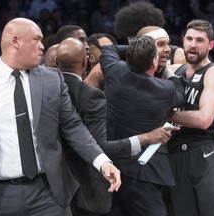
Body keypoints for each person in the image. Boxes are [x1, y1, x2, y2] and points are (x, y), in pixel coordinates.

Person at [0, 17, 121, 216]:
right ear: (15, 42)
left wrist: (102, 161)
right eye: (37, 39)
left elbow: (73, 127)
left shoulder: (53, 80)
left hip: (47, 193)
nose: (42, 46)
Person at [56, 37, 177, 216]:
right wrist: (147, 137)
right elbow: (100, 146)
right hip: (104, 176)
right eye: (160, 45)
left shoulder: (45, 90)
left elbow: (109, 50)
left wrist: (140, 49)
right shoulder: (93, 94)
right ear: (85, 60)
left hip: (57, 181)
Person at [99, 36, 185, 216]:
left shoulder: (115, 70)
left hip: (110, 164)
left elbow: (109, 49)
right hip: (143, 170)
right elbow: (180, 92)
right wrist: (168, 70)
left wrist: (135, 49)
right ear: (154, 61)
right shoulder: (164, 89)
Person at [167, 19, 214, 216]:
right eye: (189, 39)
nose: (193, 44)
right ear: (183, 41)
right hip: (175, 150)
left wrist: (168, 114)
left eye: (200, 40)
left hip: (204, 150)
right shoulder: (174, 71)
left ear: (210, 45)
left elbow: (203, 120)